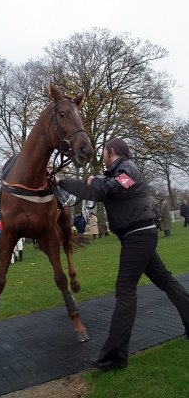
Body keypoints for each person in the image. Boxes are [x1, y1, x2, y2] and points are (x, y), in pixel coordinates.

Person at [58, 137, 189, 371]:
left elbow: (111, 187)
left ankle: (114, 355)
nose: (102, 158)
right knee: (165, 281)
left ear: (111, 151)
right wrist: (61, 181)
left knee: (125, 289)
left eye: (104, 153)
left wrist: (94, 180)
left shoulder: (128, 169)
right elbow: (95, 191)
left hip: (139, 236)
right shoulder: (112, 174)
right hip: (138, 236)